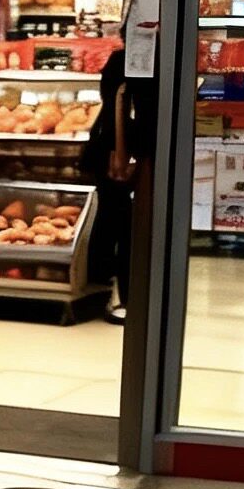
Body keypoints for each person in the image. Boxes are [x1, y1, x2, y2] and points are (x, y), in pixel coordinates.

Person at [79, 44, 143, 324]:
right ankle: (121, 296)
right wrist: (123, 156)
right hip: (119, 152)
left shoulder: (120, 59)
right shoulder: (134, 61)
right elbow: (122, 105)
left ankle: (98, 289)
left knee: (108, 221)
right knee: (124, 226)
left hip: (108, 147)